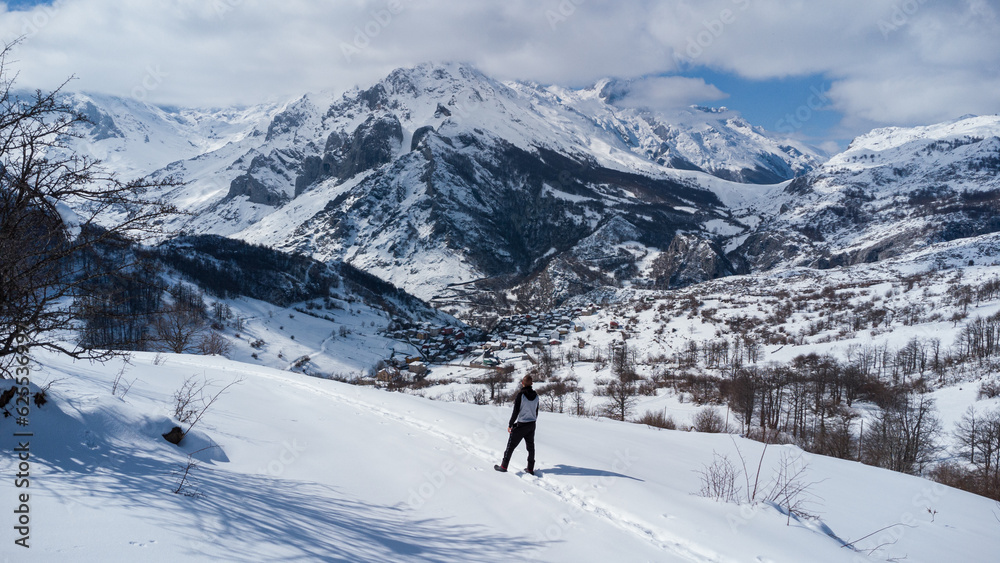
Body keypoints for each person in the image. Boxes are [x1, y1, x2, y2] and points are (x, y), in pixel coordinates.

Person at [495, 375, 539, 474]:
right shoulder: (536, 395)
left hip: (522, 424)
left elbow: (515, 411)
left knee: (510, 446)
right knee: (531, 447)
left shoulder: (521, 395)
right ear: (531, 384)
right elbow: (536, 411)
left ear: (522, 383)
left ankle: (503, 466)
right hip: (532, 424)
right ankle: (530, 468)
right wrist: (533, 421)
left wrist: (510, 424)